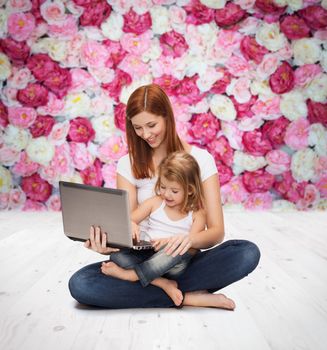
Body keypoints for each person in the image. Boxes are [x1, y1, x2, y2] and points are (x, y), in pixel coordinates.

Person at [68, 84, 260, 309]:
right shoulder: (127, 165)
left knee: (246, 253)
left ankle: (150, 285)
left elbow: (216, 232)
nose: (146, 134)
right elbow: (129, 227)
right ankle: (185, 295)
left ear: (167, 117)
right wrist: (107, 243)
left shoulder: (201, 160)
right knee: (80, 284)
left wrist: (187, 240)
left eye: (151, 125)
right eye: (138, 128)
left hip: (184, 258)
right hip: (140, 258)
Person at [101, 151, 234, 309]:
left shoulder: (197, 213)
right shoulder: (155, 203)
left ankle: (130, 275)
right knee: (116, 255)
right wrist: (132, 224)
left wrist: (169, 243)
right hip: (147, 256)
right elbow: (128, 220)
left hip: (171, 262)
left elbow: (191, 246)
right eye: (163, 187)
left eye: (174, 191)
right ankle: (163, 283)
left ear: (190, 190)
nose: (166, 194)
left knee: (178, 250)